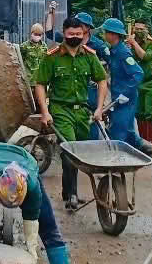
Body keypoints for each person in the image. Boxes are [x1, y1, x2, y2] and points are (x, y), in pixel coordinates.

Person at [34, 16, 108, 210]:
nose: (75, 37)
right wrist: (44, 112)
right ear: (64, 34)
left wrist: (99, 108)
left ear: (83, 34)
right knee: (69, 149)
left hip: (82, 111)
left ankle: (67, 192)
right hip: (60, 110)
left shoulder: (90, 56)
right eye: (71, 34)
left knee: (78, 152)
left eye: (79, 34)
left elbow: (102, 80)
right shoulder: (52, 57)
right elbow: (40, 84)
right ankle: (73, 195)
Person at [96, 18, 152, 175]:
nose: (104, 35)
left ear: (113, 35)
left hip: (126, 99)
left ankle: (114, 170)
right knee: (129, 134)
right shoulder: (114, 50)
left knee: (118, 133)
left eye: (106, 32)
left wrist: (125, 93)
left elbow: (138, 73)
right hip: (119, 98)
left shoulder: (122, 52)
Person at [130, 19, 152, 145]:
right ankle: (144, 143)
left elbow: (145, 56)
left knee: (149, 113)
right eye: (136, 28)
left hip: (150, 82)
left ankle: (151, 142)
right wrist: (130, 45)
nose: (138, 31)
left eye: (141, 29)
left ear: (147, 29)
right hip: (137, 83)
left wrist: (134, 44)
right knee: (139, 113)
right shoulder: (130, 44)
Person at [20, 1, 58, 81]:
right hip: (29, 79)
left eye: (39, 35)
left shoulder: (44, 46)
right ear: (31, 33)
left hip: (41, 79)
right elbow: (20, 61)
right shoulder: (24, 46)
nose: (37, 36)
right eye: (35, 34)